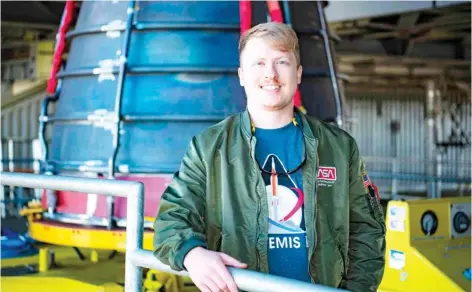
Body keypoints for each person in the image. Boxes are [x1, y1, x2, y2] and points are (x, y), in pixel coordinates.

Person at [153, 22, 386, 292]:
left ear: (298, 73)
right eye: (259, 63)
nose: (271, 74)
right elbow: (171, 220)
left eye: (282, 62)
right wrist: (192, 254)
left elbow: (366, 231)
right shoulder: (209, 147)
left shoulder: (339, 147)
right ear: (241, 75)